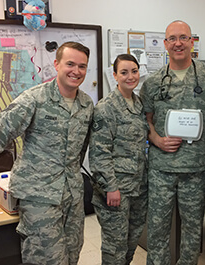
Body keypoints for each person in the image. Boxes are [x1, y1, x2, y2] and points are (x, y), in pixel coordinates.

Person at [0, 41, 94, 265]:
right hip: (39, 196)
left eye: (82, 66)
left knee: (72, 255)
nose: (76, 71)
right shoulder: (34, 99)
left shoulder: (86, 104)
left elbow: (81, 148)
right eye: (70, 64)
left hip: (72, 196)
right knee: (47, 260)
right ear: (57, 64)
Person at [139, 20, 205, 265]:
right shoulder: (153, 82)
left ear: (191, 42)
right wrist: (156, 139)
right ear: (165, 44)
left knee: (193, 228)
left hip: (196, 169)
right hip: (161, 168)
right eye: (172, 38)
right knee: (157, 227)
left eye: (183, 38)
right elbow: (145, 118)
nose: (178, 43)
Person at [89, 54, 148, 265]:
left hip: (139, 187)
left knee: (131, 242)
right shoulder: (106, 108)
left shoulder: (139, 104)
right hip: (116, 190)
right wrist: (110, 187)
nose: (130, 76)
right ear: (115, 75)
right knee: (115, 247)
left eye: (134, 71)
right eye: (124, 72)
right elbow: (99, 152)